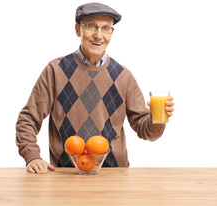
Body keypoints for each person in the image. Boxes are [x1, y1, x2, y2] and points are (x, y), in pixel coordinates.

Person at [16, 2, 174, 174]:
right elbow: (28, 119)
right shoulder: (55, 71)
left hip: (114, 176)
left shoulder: (123, 76)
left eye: (106, 28)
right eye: (91, 26)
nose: (99, 35)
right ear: (78, 30)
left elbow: (147, 132)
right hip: (66, 175)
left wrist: (157, 119)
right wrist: (32, 155)